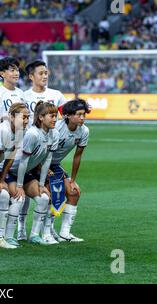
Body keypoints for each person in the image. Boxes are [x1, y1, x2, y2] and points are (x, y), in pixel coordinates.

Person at [17, 60, 68, 240]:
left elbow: (67, 111)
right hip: (27, 149)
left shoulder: (56, 94)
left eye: (46, 73)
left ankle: (48, 229)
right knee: (21, 193)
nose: (45, 76)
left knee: (50, 190)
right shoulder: (23, 96)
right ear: (31, 76)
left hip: (46, 149)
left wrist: (82, 106)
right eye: (41, 73)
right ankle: (21, 229)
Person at [6, 102, 59, 245]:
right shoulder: (32, 134)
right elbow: (23, 162)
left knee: (43, 198)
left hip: (26, 173)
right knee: (19, 199)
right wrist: (19, 185)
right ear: (41, 117)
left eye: (56, 116)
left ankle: (34, 235)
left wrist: (41, 184)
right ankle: (9, 236)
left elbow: (47, 159)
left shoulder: (55, 134)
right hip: (10, 172)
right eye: (51, 116)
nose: (55, 119)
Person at [0, 102, 29, 249]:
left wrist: (2, 179)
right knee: (0, 196)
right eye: (23, 117)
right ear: (11, 116)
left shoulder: (20, 130)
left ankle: (2, 236)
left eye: (28, 117)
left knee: (12, 196)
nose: (26, 121)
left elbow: (10, 157)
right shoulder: (2, 131)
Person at [44, 99, 90, 243]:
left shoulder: (84, 131)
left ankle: (65, 233)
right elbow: (43, 151)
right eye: (79, 114)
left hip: (55, 164)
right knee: (51, 193)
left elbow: (77, 157)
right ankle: (47, 232)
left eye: (84, 115)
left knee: (74, 192)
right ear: (68, 116)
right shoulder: (56, 128)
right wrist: (44, 170)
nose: (82, 118)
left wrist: (72, 180)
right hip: (40, 163)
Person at [0, 57, 25, 122]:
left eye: (17, 70)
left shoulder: (20, 92)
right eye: (12, 70)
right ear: (2, 74)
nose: (16, 73)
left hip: (19, 131)